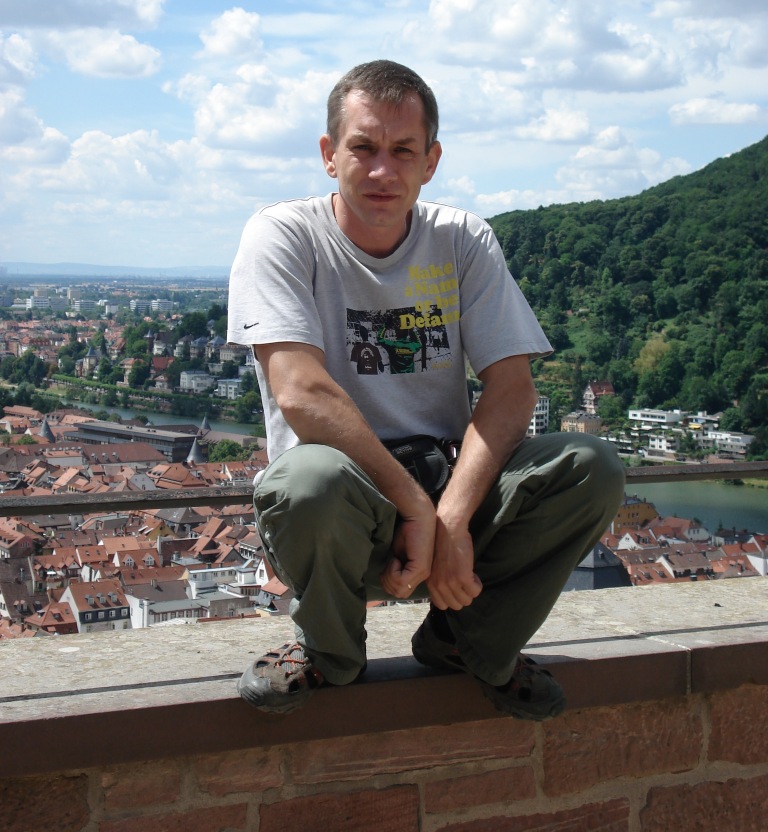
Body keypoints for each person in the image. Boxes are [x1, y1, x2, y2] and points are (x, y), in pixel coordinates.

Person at [226, 60, 625, 719]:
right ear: (329, 154)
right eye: (363, 147)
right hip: (340, 516)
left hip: (448, 506)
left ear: (431, 161)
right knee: (308, 480)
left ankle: (469, 644)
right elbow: (301, 393)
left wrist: (450, 518)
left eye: (403, 151)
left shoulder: (461, 239)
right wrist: (416, 507)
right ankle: (328, 652)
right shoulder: (284, 235)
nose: (383, 171)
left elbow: (512, 390)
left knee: (591, 465)